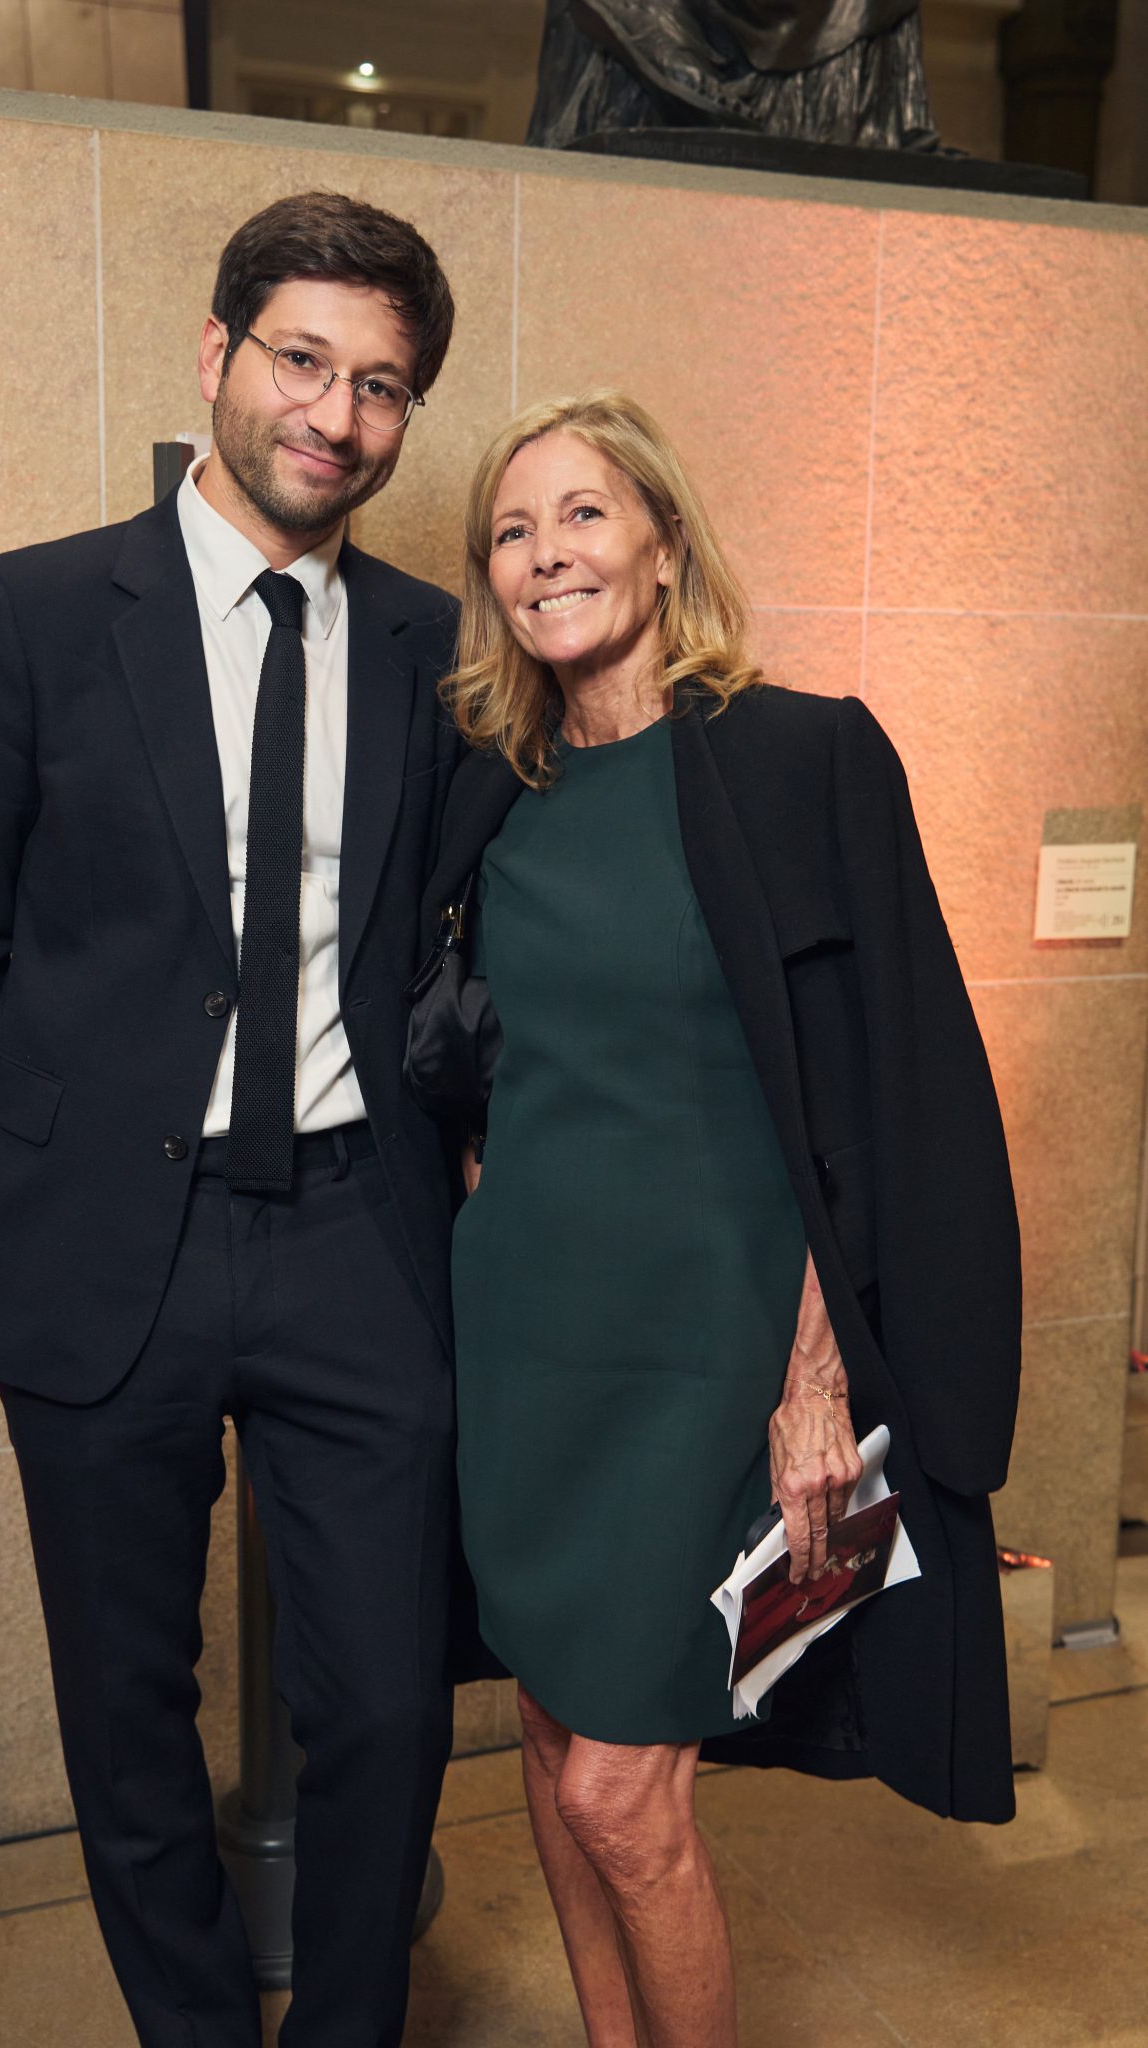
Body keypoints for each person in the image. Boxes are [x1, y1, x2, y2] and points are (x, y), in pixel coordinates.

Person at [0, 192, 470, 2048]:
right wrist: (72, 1139)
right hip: (109, 1248)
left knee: (390, 1705)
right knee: (128, 1715)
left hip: (358, 1238)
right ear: (218, 354)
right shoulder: (36, 613)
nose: (335, 415)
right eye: (302, 359)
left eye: (380, 385)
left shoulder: (435, 648)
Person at [415, 390, 1021, 2047]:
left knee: (620, 1788)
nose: (546, 556)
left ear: (666, 543)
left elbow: (886, 1094)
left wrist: (816, 1379)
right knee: (551, 1732)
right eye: (512, 532)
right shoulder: (493, 792)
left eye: (583, 515)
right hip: (526, 1345)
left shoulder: (801, 758)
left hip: (709, 1357)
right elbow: (465, 1054)